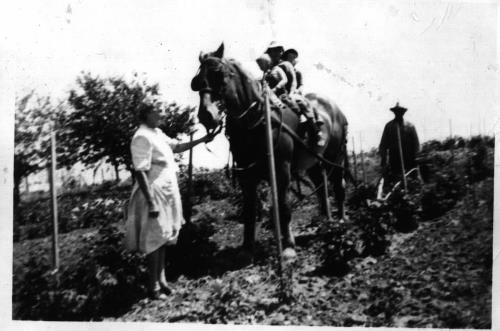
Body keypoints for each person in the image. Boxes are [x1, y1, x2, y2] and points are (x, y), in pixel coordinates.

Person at [124, 102, 215, 300]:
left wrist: (202, 140)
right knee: (155, 238)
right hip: (154, 192)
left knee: (163, 236)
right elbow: (139, 171)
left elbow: (177, 147)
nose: (162, 114)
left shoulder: (157, 133)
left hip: (167, 191)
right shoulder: (141, 136)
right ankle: (153, 287)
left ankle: (162, 280)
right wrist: (151, 202)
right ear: (147, 113)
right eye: (159, 111)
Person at [281, 48, 325, 146]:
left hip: (294, 94)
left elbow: (301, 85)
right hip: (283, 94)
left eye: (293, 58)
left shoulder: (297, 72)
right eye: (289, 58)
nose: (291, 60)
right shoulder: (282, 69)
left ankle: (316, 130)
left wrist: (297, 90)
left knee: (304, 104)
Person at [379, 102, 420, 182]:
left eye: (400, 112)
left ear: (403, 113)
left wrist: (416, 157)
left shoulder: (410, 126)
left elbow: (416, 144)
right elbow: (383, 145)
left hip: (409, 160)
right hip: (394, 160)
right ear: (394, 113)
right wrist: (384, 161)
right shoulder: (389, 126)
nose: (399, 114)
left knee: (411, 181)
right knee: (396, 182)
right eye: (397, 112)